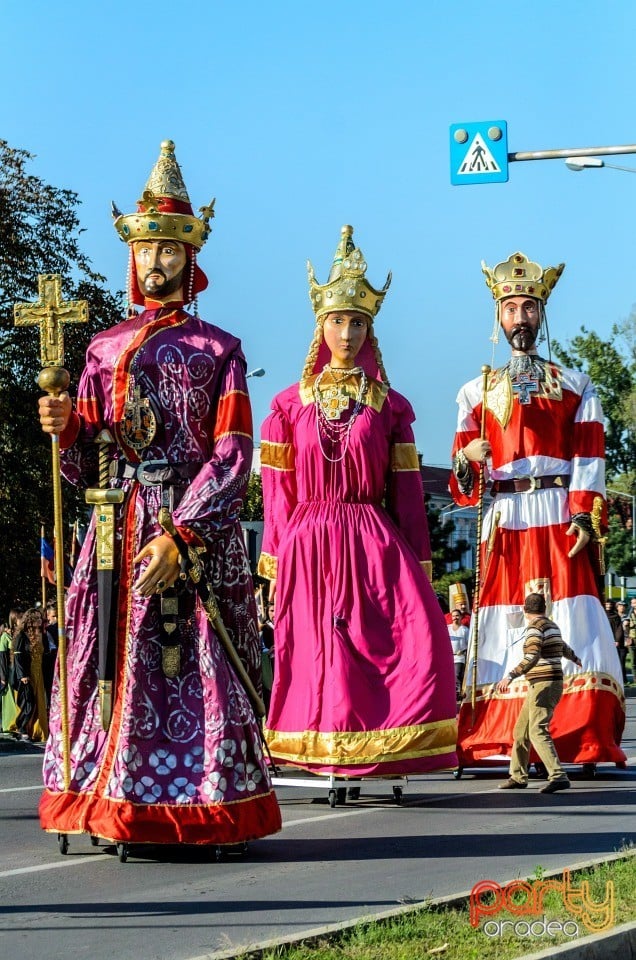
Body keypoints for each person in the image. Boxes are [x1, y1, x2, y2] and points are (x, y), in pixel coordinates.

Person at [36, 140, 281, 847]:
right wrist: (65, 431)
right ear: (132, 256)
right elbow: (87, 462)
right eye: (147, 248)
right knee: (107, 656)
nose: (157, 261)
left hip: (190, 526)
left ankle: (203, 809)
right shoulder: (102, 350)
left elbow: (234, 452)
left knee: (191, 659)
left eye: (171, 248)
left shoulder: (219, 350)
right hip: (116, 525)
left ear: (191, 256)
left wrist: (185, 533)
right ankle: (113, 800)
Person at [258, 225, 457, 777]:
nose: (347, 333)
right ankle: (317, 747)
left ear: (371, 330)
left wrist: (418, 558)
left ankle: (382, 743)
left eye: (358, 322)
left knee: (407, 638)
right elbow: (277, 492)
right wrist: (273, 554)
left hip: (371, 537)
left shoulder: (392, 407)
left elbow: (409, 495)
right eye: (338, 321)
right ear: (320, 326)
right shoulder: (286, 406)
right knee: (318, 649)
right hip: (307, 539)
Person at [450, 251, 625, 771]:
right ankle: (500, 735)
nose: (521, 318)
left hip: (555, 511)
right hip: (504, 518)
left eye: (529, 307)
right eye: (512, 309)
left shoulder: (575, 385)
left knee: (572, 619)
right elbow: (466, 485)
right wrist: (465, 460)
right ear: (498, 318)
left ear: (541, 314)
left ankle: (582, 730)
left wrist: (582, 516)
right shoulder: (473, 391)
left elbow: (590, 455)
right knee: (502, 625)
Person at [496, 593, 582, 793]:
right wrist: (575, 658)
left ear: (525, 609)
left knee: (536, 730)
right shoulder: (551, 625)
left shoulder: (534, 628)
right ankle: (518, 776)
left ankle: (558, 775)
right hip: (546, 682)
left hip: (543, 683)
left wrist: (510, 676)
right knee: (521, 731)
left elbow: (532, 656)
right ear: (545, 608)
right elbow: (562, 646)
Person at [12, 607, 49, 742]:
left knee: (39, 702)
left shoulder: (41, 635)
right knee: (28, 702)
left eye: (40, 618)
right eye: (36, 618)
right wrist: (22, 675)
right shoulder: (22, 635)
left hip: (39, 672)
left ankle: (35, 730)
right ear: (30, 620)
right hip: (28, 674)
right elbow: (18, 657)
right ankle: (22, 729)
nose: (39, 620)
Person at [0, 610, 21, 734]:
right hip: (9, 672)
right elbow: (2, 658)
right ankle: (9, 725)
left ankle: (15, 723)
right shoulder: (4, 637)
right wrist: (3, 677)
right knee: (9, 700)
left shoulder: (16, 635)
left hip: (16, 670)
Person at [447, 609, 469, 699]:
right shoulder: (447, 628)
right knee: (449, 675)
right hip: (449, 656)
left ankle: (457, 694)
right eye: (453, 616)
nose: (455, 618)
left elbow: (469, 643)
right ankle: (451, 694)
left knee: (457, 674)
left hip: (459, 656)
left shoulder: (465, 630)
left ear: (460, 617)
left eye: (457, 616)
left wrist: (463, 651)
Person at [605, 599, 627, 683]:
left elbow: (619, 629)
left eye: (610, 605)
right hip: (605, 640)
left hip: (615, 642)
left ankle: (621, 679)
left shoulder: (615, 616)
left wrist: (617, 640)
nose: (608, 606)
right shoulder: (601, 615)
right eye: (607, 605)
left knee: (618, 661)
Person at [42, 600, 58, 712]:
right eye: (53, 616)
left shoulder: (57, 628)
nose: (56, 619)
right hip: (48, 661)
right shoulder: (46, 630)